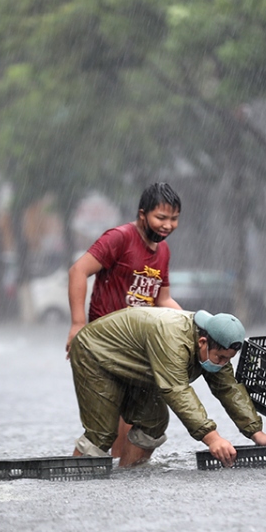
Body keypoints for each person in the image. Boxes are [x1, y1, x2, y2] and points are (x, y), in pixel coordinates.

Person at [70, 307, 266, 467]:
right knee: (101, 433)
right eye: (219, 357)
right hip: (96, 353)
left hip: (139, 365)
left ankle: (127, 478)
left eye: (228, 359)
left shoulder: (217, 344)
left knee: (152, 423)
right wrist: (212, 438)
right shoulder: (173, 339)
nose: (221, 363)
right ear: (202, 342)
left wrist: (256, 432)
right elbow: (177, 390)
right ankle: (75, 486)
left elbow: (229, 388)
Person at [66, 182, 184, 465]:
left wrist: (193, 324)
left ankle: (127, 477)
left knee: (148, 421)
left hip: (140, 348)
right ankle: (87, 479)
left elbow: (163, 299)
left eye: (174, 219)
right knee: (106, 428)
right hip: (106, 345)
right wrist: (77, 324)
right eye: (161, 217)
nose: (168, 225)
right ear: (142, 214)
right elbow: (78, 271)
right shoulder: (119, 237)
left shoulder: (163, 251)